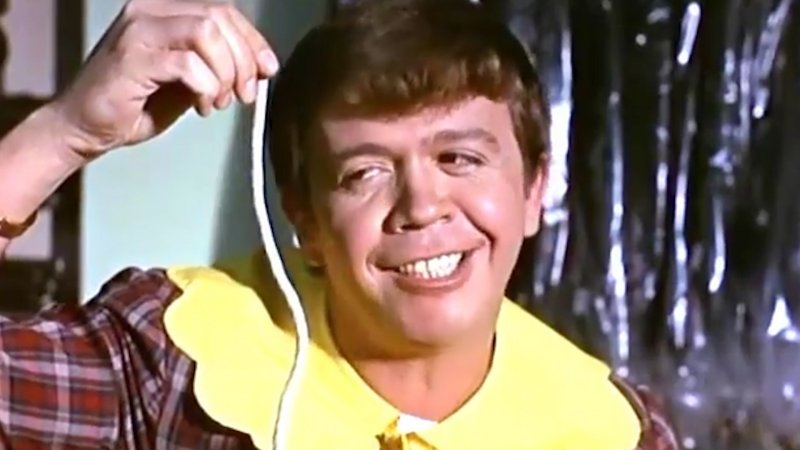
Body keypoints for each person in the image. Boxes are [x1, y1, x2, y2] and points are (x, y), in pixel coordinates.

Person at [0, 0, 678, 448]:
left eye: (460, 158)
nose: (422, 206)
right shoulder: (169, 356)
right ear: (306, 219)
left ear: (533, 191)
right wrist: (62, 133)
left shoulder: (619, 433)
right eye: (365, 173)